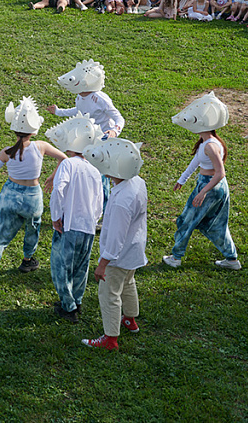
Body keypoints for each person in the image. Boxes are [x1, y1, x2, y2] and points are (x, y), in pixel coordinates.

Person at [0, 97, 66, 292]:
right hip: (33, 196)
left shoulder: (7, 152)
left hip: (10, 195)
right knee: (32, 228)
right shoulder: (41, 146)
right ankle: (27, 260)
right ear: (33, 130)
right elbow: (65, 159)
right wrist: (52, 177)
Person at [80, 138, 147, 351]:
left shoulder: (120, 202)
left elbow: (116, 238)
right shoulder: (138, 182)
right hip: (134, 250)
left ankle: (110, 339)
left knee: (109, 294)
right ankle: (130, 319)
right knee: (128, 283)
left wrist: (102, 264)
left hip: (118, 256)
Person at [162, 92, 241, 270]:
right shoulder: (206, 142)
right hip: (213, 186)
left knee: (186, 220)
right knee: (216, 224)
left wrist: (203, 192)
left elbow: (220, 173)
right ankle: (231, 259)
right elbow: (197, 160)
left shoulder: (211, 146)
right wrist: (182, 179)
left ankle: (176, 258)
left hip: (210, 186)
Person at [45, 114, 104, 323]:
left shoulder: (67, 164)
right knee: (81, 266)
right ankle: (76, 301)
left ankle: (68, 306)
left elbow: (59, 190)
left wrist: (55, 216)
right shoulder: (94, 170)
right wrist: (94, 219)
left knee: (61, 265)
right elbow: (99, 201)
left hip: (69, 224)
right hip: (87, 225)